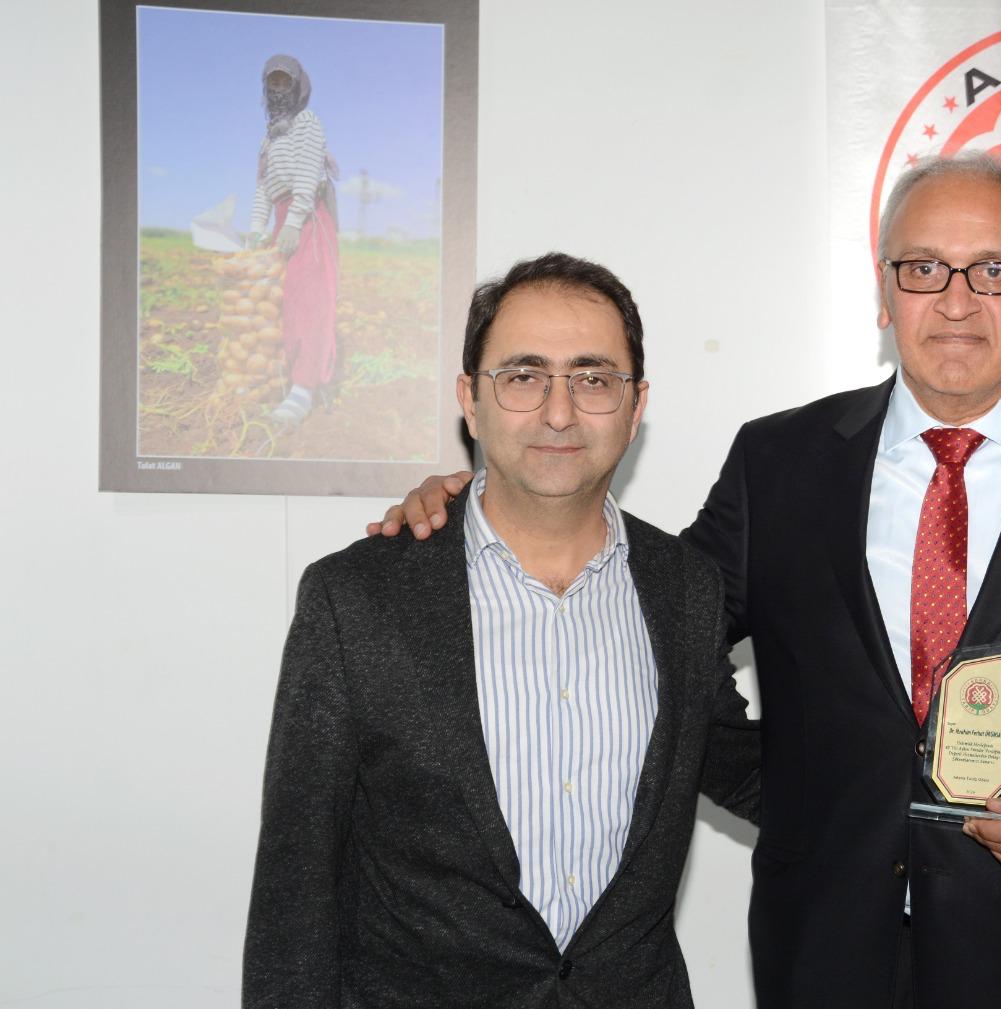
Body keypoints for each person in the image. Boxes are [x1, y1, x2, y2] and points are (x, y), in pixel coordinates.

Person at [373, 153, 1001, 1008]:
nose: (956, 301)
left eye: (994, 270)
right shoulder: (781, 462)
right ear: (884, 289)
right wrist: (495, 504)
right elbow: (649, 617)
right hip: (827, 956)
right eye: (923, 268)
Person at [244, 253, 760, 1009]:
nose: (559, 412)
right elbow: (296, 882)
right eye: (523, 376)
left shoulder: (686, 589)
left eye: (593, 379)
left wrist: (925, 783)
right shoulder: (356, 597)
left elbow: (747, 767)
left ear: (635, 404)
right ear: (471, 400)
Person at [245, 54, 340, 427]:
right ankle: (287, 378)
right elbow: (264, 187)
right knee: (283, 302)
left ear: (298, 87)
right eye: (273, 83)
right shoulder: (269, 137)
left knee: (310, 302)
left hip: (309, 220)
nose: (279, 89)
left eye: (285, 82)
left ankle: (304, 388)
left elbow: (306, 174)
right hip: (283, 221)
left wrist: (294, 222)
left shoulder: (308, 123)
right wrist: (257, 226)